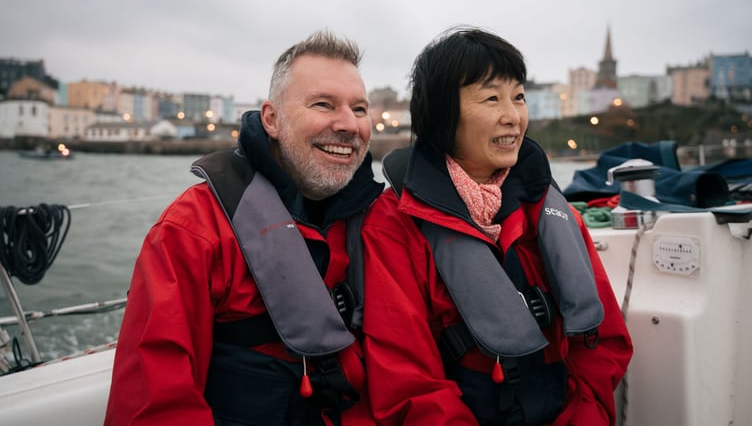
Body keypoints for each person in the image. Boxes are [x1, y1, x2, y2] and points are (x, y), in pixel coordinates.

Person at [105, 30, 384, 425]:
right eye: (323, 104)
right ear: (272, 119)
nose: (348, 125)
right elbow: (153, 406)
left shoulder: (381, 222)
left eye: (359, 109)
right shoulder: (192, 231)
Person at [361, 27, 633, 425]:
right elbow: (406, 384)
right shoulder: (394, 226)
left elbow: (603, 344)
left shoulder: (552, 211)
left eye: (518, 97)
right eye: (491, 98)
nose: (513, 116)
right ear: (442, 114)